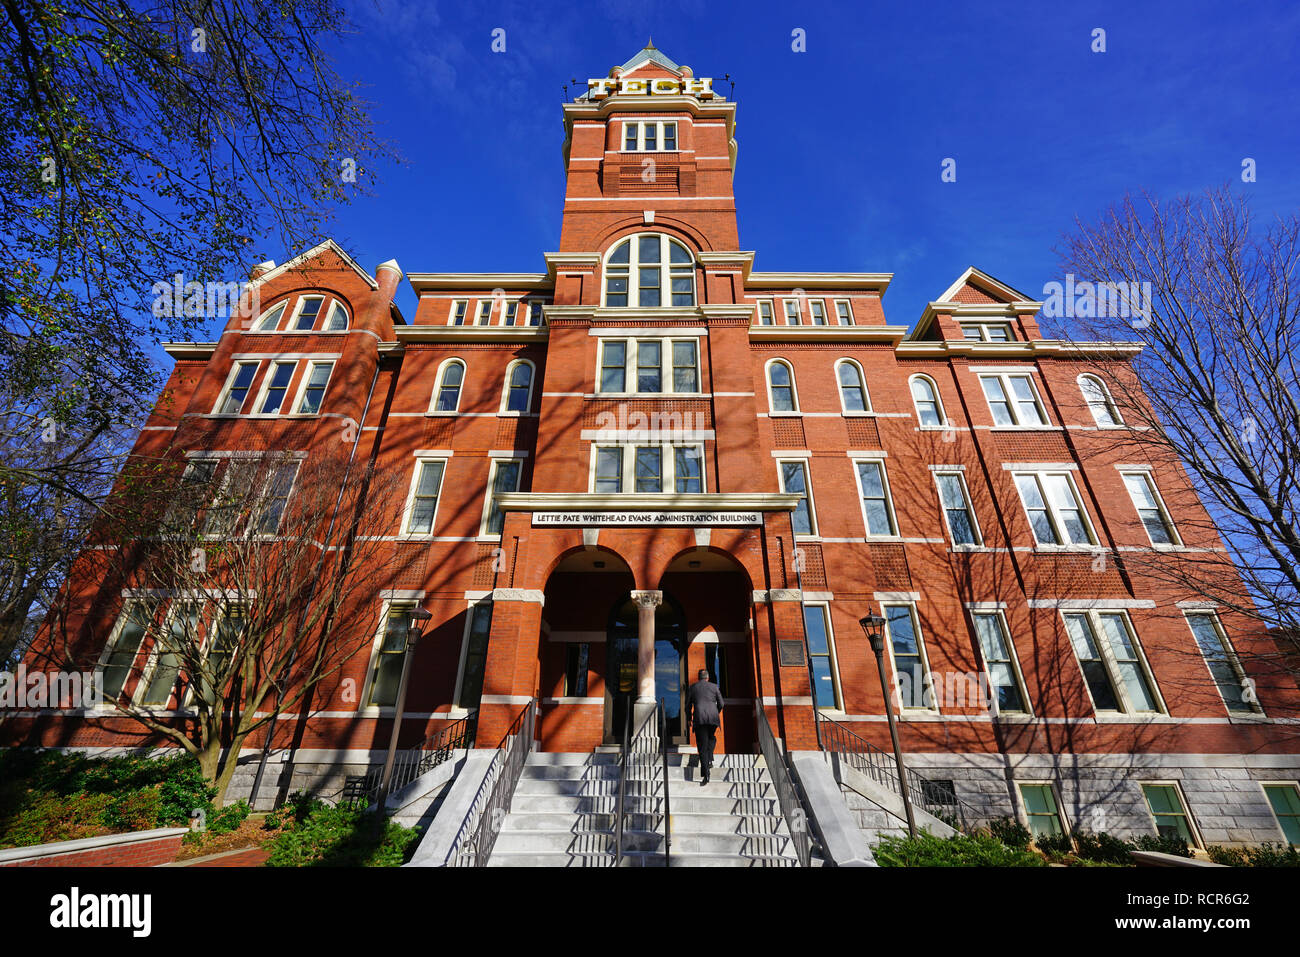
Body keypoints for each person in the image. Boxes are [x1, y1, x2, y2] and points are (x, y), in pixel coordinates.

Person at [685, 668, 724, 784]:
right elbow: (721, 703)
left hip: (700, 718)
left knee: (702, 745)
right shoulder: (714, 687)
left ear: (698, 678)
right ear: (707, 678)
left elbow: (687, 705)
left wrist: (688, 718)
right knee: (711, 738)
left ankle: (706, 774)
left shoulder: (693, 687)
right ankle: (710, 759)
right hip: (712, 719)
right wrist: (715, 712)